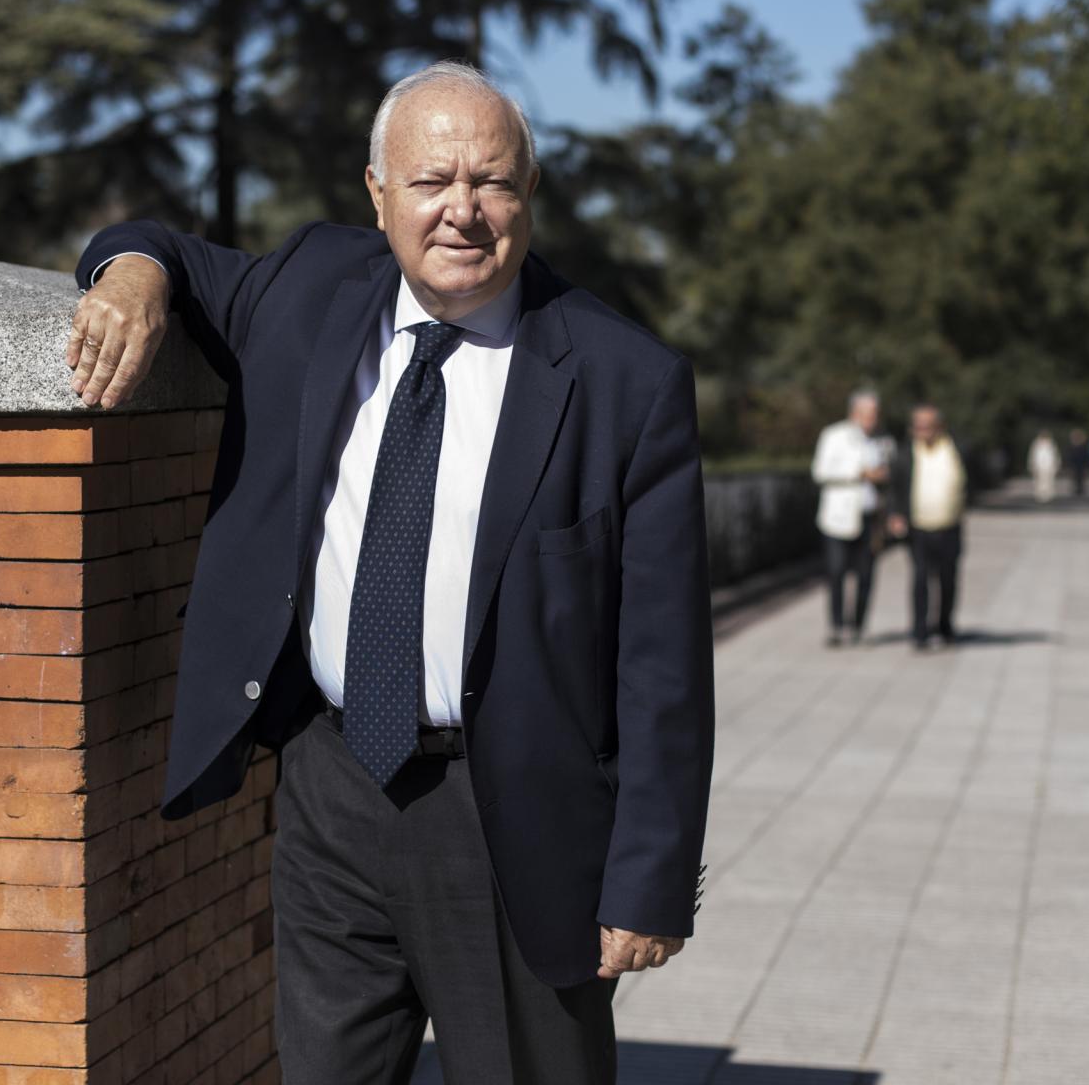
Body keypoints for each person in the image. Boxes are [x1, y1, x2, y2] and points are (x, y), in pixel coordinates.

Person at [64, 62, 713, 1085]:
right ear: (377, 194)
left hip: (509, 817)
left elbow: (664, 660)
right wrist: (130, 277)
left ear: (528, 192)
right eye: (430, 181)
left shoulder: (623, 379)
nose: (463, 209)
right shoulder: (311, 287)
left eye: (492, 181)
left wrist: (649, 877)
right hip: (329, 788)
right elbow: (165, 251)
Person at [811, 390, 890, 646]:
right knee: (836, 572)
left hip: (869, 517)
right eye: (869, 414)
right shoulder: (834, 435)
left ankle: (859, 625)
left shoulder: (880, 441)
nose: (873, 419)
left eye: (875, 415)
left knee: (866, 574)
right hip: (838, 519)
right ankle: (836, 626)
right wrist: (858, 473)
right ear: (855, 413)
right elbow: (820, 471)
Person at [888, 404, 967, 650]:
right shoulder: (905, 453)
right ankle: (919, 630)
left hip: (949, 524)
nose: (923, 431)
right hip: (919, 527)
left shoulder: (956, 449)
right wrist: (895, 515)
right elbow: (895, 487)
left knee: (947, 579)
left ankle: (944, 625)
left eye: (928, 426)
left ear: (939, 427)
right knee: (920, 577)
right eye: (918, 426)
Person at [1028, 429, 1060, 503]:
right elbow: (1032, 456)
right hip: (1039, 465)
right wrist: (1031, 465)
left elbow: (1056, 456)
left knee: (1049, 481)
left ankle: (1048, 495)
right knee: (1039, 481)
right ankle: (1039, 495)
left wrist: (1057, 464)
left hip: (1049, 465)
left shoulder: (1052, 444)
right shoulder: (1036, 444)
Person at [1068, 428, 1089, 497]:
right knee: (1076, 477)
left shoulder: (1083, 446)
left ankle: (1080, 489)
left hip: (1081, 463)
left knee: (1081, 477)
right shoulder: (1074, 446)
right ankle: (1077, 488)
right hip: (1076, 463)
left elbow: (1086, 455)